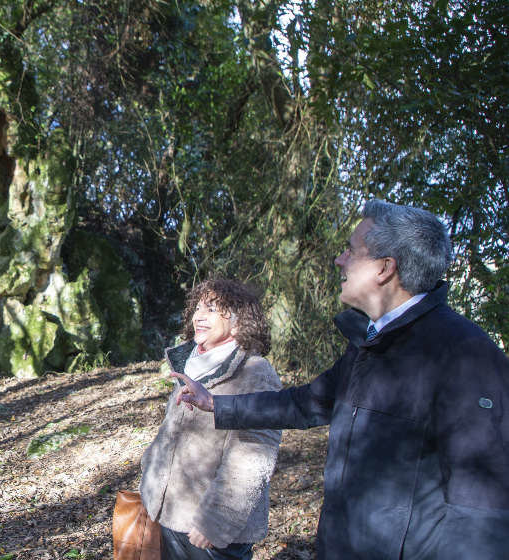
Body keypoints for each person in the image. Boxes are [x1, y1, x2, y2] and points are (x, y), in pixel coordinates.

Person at [174, 199, 509, 559]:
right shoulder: (369, 344)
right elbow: (304, 404)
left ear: (384, 268)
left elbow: (482, 512)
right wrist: (214, 404)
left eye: (351, 251)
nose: (339, 260)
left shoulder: (466, 355)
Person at [140, 277, 282, 560]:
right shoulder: (190, 363)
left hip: (211, 533)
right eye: (197, 308)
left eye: (212, 309)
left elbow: (253, 458)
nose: (199, 316)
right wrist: (150, 474)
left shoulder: (256, 372)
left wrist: (216, 523)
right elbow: (171, 431)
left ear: (238, 321)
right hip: (169, 514)